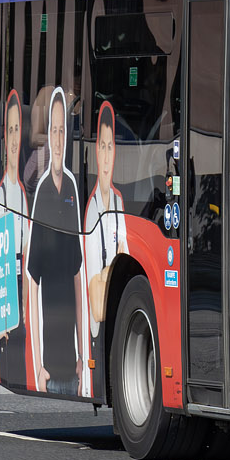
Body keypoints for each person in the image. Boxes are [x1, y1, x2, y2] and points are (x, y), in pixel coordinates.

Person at [25, 86, 85, 396]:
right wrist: (38, 363)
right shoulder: (43, 190)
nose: (59, 139)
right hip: (49, 360)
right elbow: (32, 285)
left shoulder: (73, 188)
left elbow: (78, 276)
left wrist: (82, 356)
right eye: (54, 130)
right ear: (48, 134)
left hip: (72, 360)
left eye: (64, 130)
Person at [82, 102, 128, 399]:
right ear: (96, 151)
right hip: (99, 333)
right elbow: (97, 303)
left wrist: (109, 272)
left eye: (112, 147)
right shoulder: (92, 211)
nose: (107, 156)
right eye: (103, 147)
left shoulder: (120, 201)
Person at [0, 89, 29, 389]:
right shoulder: (2, 193)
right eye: (11, 129)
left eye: (19, 129)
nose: (15, 137)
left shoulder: (26, 189)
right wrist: (4, 311)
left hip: (26, 287)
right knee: (11, 360)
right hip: (10, 284)